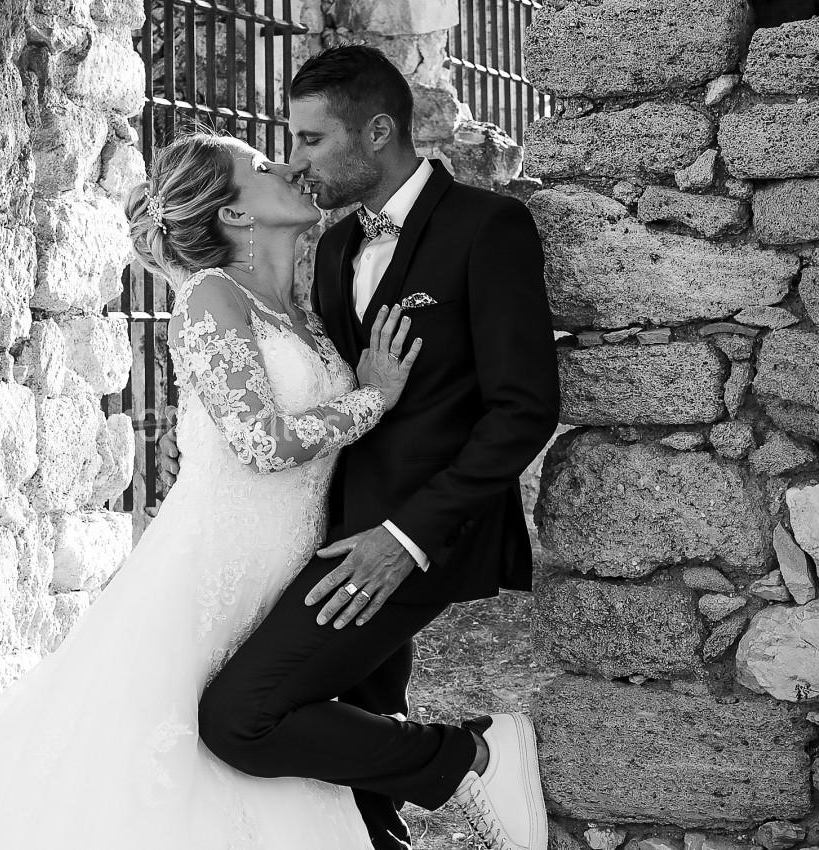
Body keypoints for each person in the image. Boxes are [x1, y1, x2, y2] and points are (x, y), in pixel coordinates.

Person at [0, 128, 428, 848]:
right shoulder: (208, 299)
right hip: (214, 571)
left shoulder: (299, 304)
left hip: (288, 565)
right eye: (263, 166)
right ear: (233, 214)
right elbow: (260, 443)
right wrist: (374, 399)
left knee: (269, 734)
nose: (290, 166)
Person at [160, 45, 559, 850]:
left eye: (311, 140)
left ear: (377, 131)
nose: (297, 162)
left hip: (415, 538)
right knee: (350, 747)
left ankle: (475, 757)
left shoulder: (489, 227)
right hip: (321, 536)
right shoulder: (336, 248)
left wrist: (405, 537)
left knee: (242, 715)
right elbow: (334, 402)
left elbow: (523, 409)